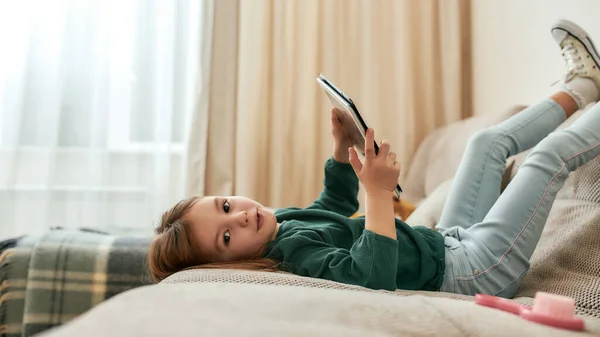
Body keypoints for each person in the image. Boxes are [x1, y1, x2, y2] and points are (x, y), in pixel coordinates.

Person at [147, 19, 600, 298]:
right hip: (475, 272)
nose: (241, 217)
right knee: (545, 161)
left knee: (484, 144)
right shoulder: (295, 259)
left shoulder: (281, 224)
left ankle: (583, 86)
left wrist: (342, 153)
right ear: (231, 267)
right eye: (226, 237)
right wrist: (379, 193)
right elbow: (371, 277)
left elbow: (331, 206)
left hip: (446, 241)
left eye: (226, 206)